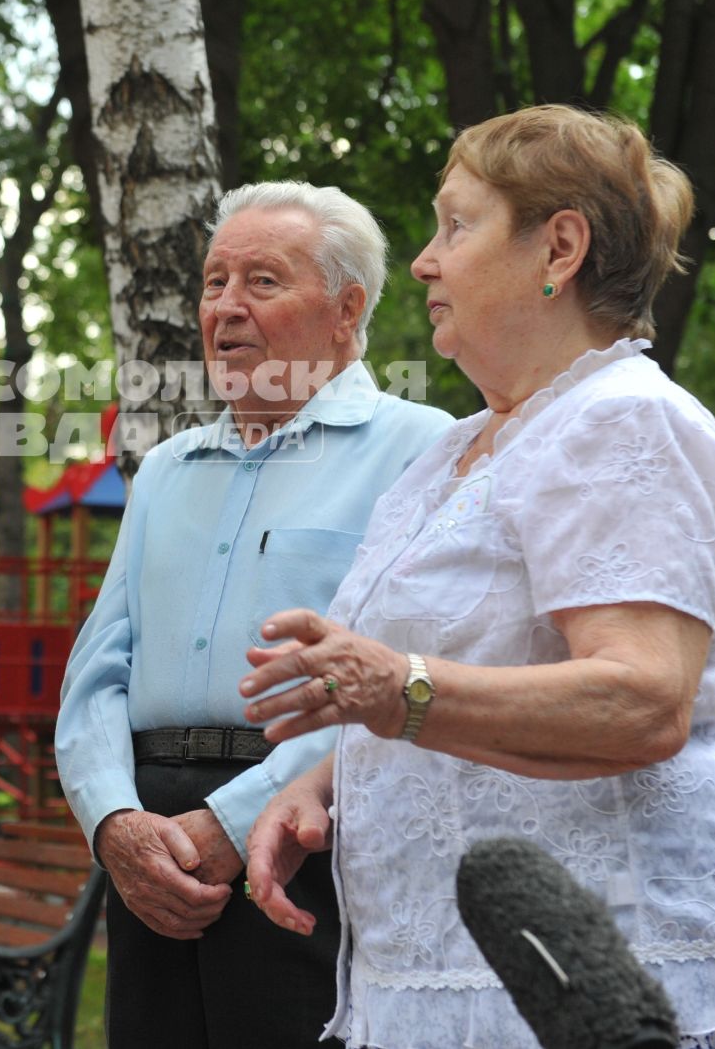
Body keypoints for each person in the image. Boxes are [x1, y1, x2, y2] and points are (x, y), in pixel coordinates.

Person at [240, 106, 715, 1048]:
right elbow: (468, 678)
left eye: (456, 225)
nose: (423, 261)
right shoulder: (462, 448)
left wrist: (396, 688)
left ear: (561, 246)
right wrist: (331, 782)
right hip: (465, 990)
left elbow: (642, 701)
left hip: (609, 997)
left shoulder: (625, 420)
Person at [56, 182, 452, 1047]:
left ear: (346, 309)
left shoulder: (421, 449)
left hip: (307, 834)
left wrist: (235, 823)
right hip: (147, 840)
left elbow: (407, 680)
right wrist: (114, 822)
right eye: (213, 282)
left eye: (263, 282)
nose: (226, 308)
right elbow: (95, 676)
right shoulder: (164, 469)